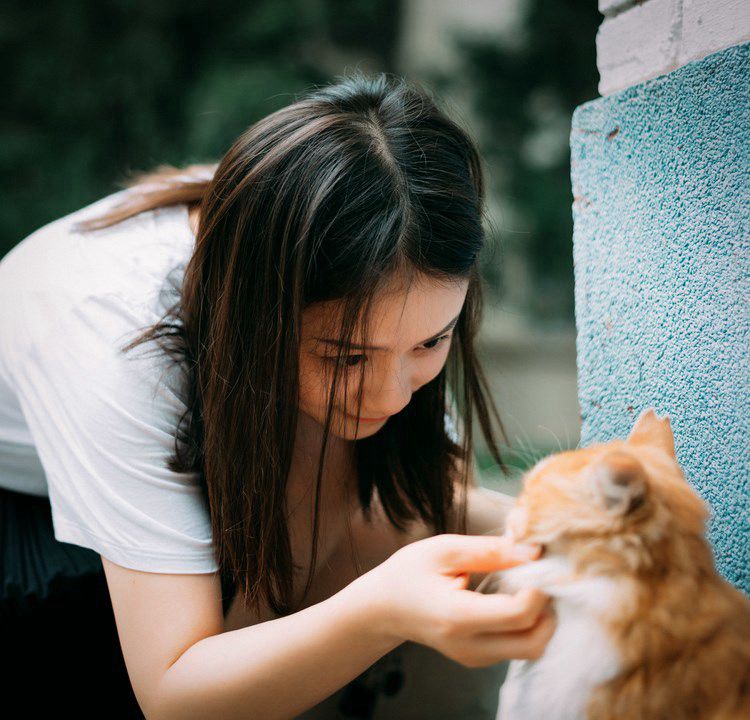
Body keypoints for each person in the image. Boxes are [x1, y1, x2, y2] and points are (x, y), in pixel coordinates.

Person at [0, 72, 555, 719]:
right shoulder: (115, 344)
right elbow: (175, 694)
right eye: (347, 356)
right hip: (31, 526)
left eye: (430, 343)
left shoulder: (371, 251)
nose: (390, 394)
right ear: (257, 316)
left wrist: (566, 539)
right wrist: (379, 609)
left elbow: (430, 502)